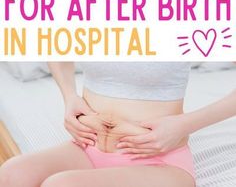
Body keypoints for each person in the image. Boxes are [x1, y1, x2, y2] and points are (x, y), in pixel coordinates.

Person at [0, 61, 235, 187]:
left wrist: (185, 125)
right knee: (11, 174)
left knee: (60, 185)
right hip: (89, 145)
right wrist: (70, 96)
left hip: (156, 159)